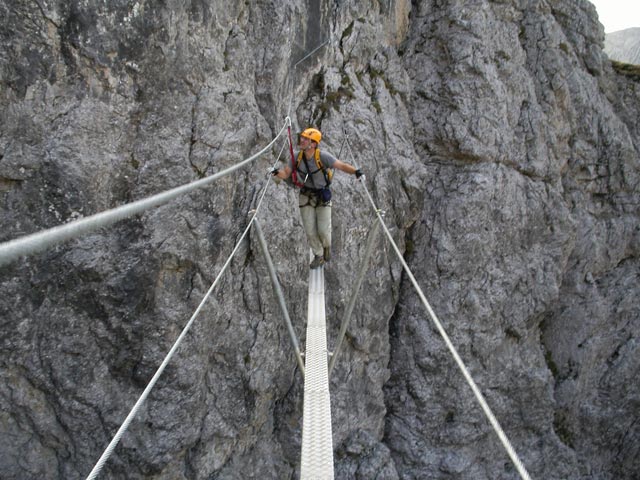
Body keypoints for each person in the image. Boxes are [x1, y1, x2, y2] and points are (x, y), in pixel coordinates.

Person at [271, 127, 363, 269]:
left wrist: (356, 172)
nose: (301, 140)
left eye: (306, 139)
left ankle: (326, 247)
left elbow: (341, 166)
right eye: (302, 137)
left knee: (323, 231)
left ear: (313, 144)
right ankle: (318, 255)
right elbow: (286, 173)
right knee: (310, 230)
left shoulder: (322, 156)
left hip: (322, 195)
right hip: (305, 195)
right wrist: (276, 172)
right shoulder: (296, 156)